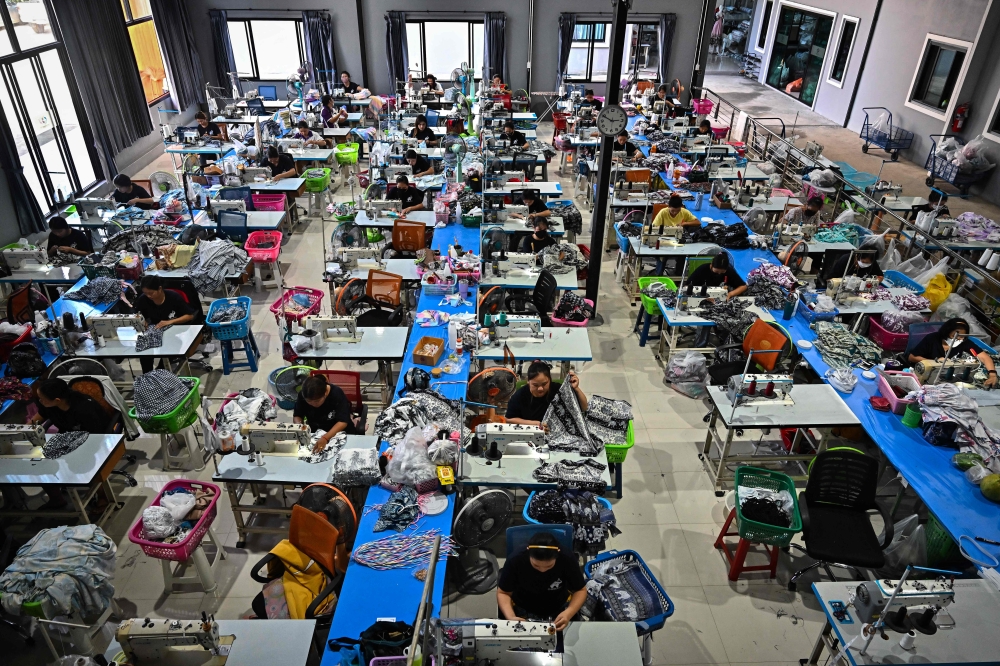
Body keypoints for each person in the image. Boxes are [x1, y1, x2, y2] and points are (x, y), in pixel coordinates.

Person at [496, 531, 587, 630]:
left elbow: (580, 590)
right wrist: (511, 617)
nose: (542, 570)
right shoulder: (516, 559)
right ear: (528, 552)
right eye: (536, 565)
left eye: (549, 566)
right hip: (523, 609)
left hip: (558, 609)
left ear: (558, 554)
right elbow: (503, 593)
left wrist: (568, 613)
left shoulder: (567, 558)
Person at [909, 318, 997, 387]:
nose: (958, 339)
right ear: (946, 332)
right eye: (955, 335)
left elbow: (985, 357)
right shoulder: (932, 339)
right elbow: (911, 357)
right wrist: (935, 362)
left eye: (962, 336)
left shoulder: (965, 343)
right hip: (926, 375)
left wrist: (992, 374)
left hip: (947, 378)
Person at [134, 275, 196, 373]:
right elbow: (138, 315)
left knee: (170, 349)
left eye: (151, 293)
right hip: (156, 329)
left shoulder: (173, 297)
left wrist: (170, 321)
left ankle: (159, 373)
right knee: (144, 351)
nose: (148, 296)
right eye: (145, 293)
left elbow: (189, 316)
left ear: (159, 289)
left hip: (176, 330)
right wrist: (142, 321)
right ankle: (147, 376)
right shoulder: (143, 299)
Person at [506, 362, 587, 428]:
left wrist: (576, 388)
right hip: (532, 431)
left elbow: (584, 408)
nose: (540, 388)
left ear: (550, 380)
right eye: (535, 385)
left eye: (544, 384)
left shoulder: (559, 390)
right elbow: (509, 419)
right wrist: (536, 424)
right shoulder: (520, 396)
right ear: (528, 381)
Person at [293, 375, 359, 453]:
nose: (312, 404)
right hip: (316, 433)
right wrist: (300, 428)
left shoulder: (336, 393)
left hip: (339, 433)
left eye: (316, 401)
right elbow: (297, 415)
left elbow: (343, 422)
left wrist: (325, 438)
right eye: (309, 401)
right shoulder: (303, 395)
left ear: (325, 393)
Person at [32, 378, 110, 434]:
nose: (40, 401)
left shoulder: (85, 409)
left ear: (57, 400)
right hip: (67, 437)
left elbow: (97, 435)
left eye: (42, 399)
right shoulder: (48, 406)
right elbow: (32, 424)